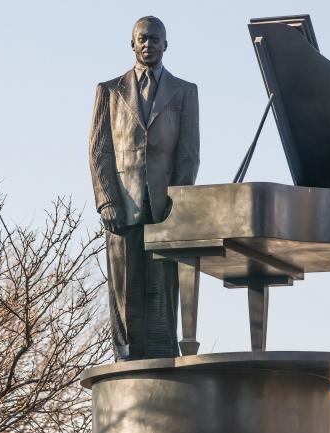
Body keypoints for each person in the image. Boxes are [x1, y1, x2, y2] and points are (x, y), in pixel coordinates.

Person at [88, 16, 200, 360]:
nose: (148, 44)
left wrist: (177, 201)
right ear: (132, 44)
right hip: (122, 204)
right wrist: (106, 200)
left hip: (164, 205)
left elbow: (189, 152)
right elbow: (99, 150)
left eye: (155, 38)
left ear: (166, 44)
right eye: (142, 38)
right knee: (124, 286)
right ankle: (126, 356)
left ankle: (163, 353)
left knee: (163, 287)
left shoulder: (184, 91)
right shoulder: (109, 90)